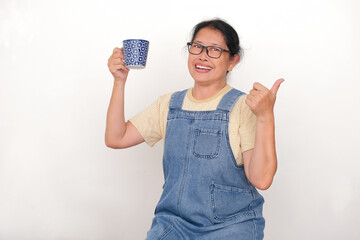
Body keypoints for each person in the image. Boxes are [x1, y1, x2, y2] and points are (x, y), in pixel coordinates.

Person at [105, 18, 284, 240]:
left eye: (215, 50)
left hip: (231, 228)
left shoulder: (244, 107)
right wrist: (119, 81)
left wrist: (266, 116)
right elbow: (116, 138)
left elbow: (262, 179)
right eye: (197, 47)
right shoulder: (168, 104)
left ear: (232, 61)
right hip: (174, 226)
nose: (203, 56)